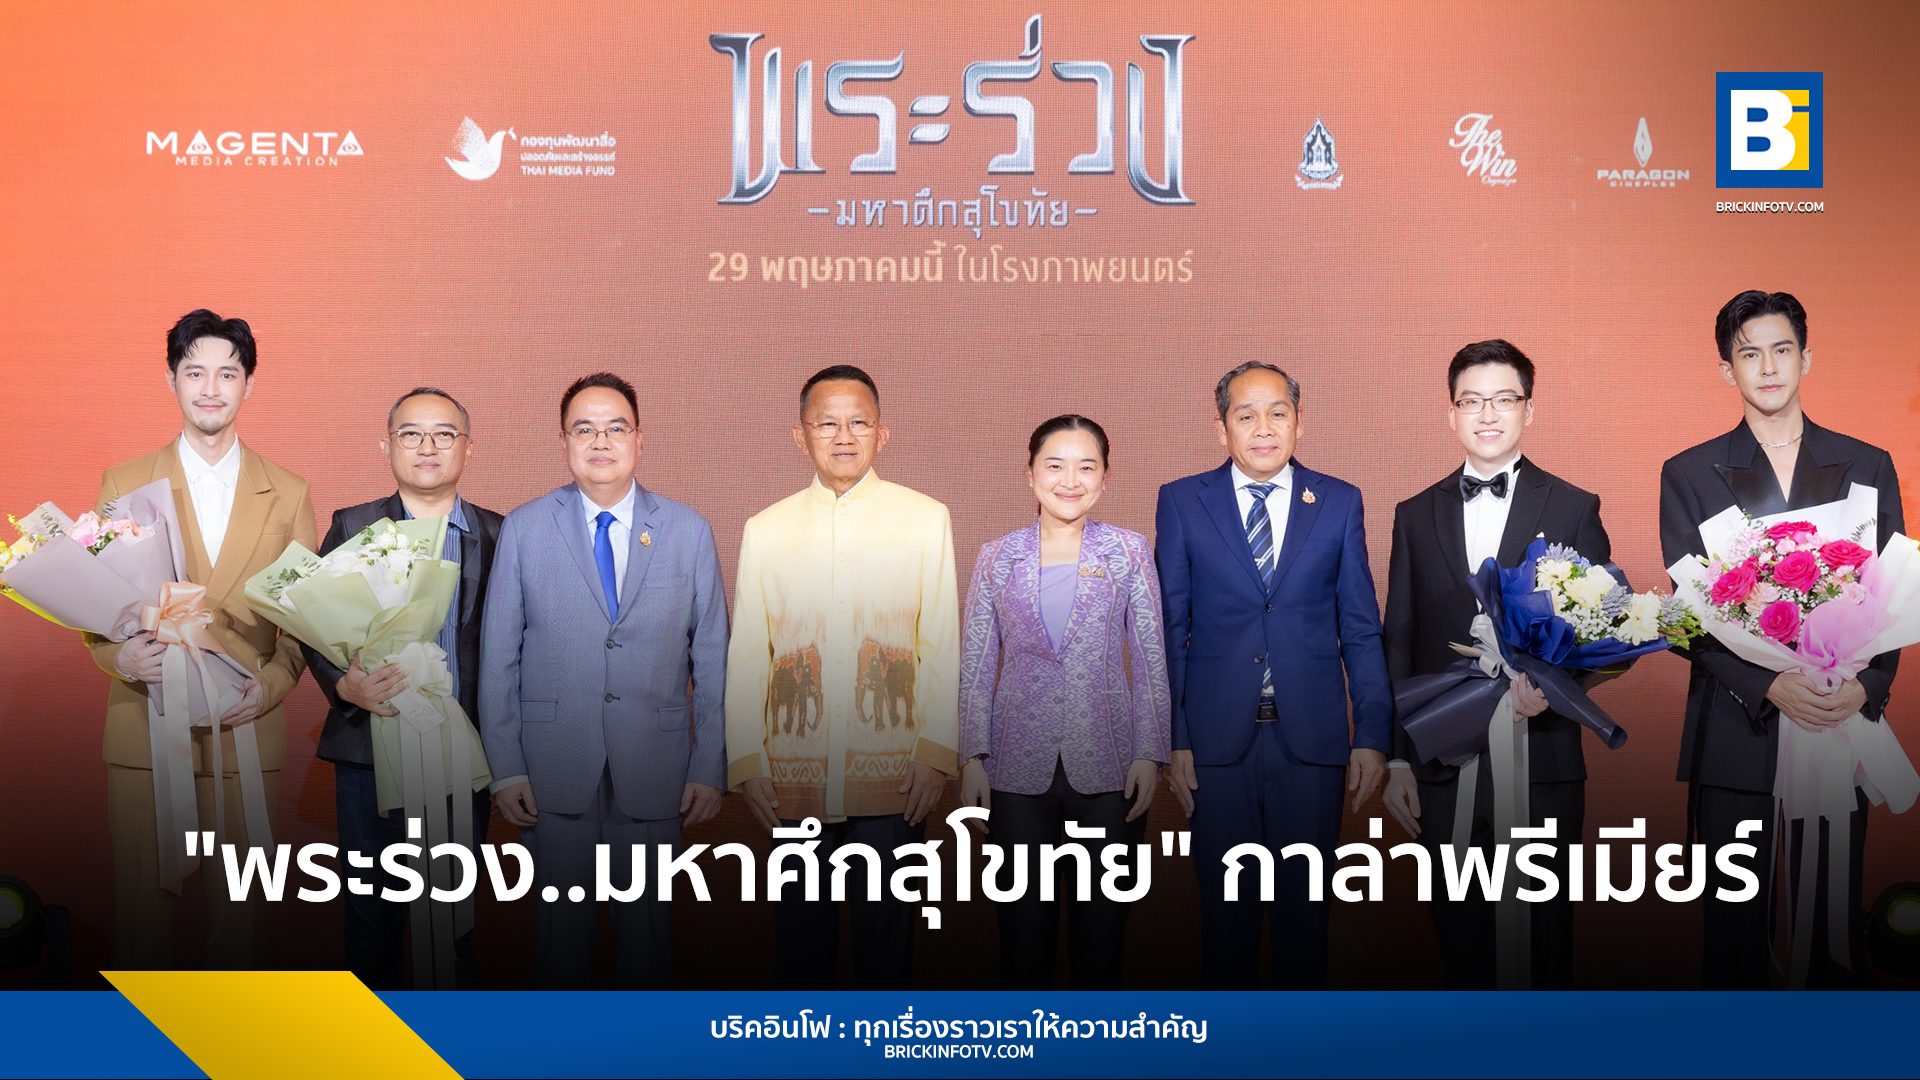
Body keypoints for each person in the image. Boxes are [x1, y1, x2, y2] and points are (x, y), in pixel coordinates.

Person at [1659, 290, 1902, 988]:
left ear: (1806, 358)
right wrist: (1768, 683)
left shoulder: (1866, 463)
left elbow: (1891, 595)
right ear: (1726, 369)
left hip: (1836, 717)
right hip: (1738, 731)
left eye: (1781, 350)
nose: (1767, 368)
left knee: (1830, 925)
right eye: (1749, 354)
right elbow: (1688, 617)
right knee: (1734, 937)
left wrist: (1866, 688)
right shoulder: (1690, 472)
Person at [479, 372, 727, 989]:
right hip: (552, 768)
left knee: (649, 945)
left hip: (657, 767)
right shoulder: (525, 528)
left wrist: (708, 766)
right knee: (559, 946)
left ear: (639, 439)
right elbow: (498, 656)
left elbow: (714, 660)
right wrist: (505, 768)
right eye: (584, 429)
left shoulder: (688, 530)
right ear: (564, 441)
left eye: (616, 427)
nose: (601, 441)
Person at [83, 308, 316, 968]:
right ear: (171, 380)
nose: (211, 388)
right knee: (141, 918)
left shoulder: (289, 492)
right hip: (144, 727)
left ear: (249, 384)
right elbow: (94, 604)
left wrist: (271, 685)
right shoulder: (124, 482)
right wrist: (121, 657)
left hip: (246, 728)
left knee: (243, 923)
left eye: (227, 374)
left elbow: (305, 621)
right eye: (195, 373)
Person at [1379, 339, 1610, 988]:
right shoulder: (1414, 514)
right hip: (1441, 762)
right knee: (1460, 940)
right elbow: (1399, 640)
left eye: (1504, 399)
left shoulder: (1573, 506)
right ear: (1451, 414)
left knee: (1544, 940)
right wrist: (1398, 759)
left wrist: (1551, 686)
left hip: (1542, 759)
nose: (1487, 414)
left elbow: (1601, 627)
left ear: (1528, 410)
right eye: (1471, 401)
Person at [1155, 361, 1391, 989]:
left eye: (1278, 413)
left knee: (1304, 928)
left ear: (1298, 422)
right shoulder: (1182, 501)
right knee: (1225, 927)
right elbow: (1169, 629)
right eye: (1246, 415)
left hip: (1311, 744)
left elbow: (1360, 627)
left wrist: (1372, 735)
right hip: (1214, 747)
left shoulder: (1338, 501)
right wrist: (1174, 736)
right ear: (1222, 428)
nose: (1264, 428)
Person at [725, 364, 959, 990]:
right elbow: (749, 653)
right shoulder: (766, 529)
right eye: (826, 423)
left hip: (897, 776)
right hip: (790, 779)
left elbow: (940, 642)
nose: (844, 436)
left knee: (888, 954)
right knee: (801, 955)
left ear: (883, 433)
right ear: (799, 436)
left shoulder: (925, 518)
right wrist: (747, 760)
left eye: (859, 422)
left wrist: (935, 754)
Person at [957, 414, 1171, 989]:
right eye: (1055, 465)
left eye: (1086, 467)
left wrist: (1150, 753)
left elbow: (1150, 656)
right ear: (1030, 474)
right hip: (1013, 770)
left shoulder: (1128, 551)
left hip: (1110, 766)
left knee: (1100, 941)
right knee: (1022, 941)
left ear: (1105, 478)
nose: (1070, 480)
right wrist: (972, 757)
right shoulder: (997, 556)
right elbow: (977, 662)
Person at [302, 388, 502, 989]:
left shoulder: (499, 533)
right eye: (411, 433)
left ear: (468, 448)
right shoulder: (354, 525)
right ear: (386, 446)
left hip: (463, 754)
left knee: (453, 921)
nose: (427, 446)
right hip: (371, 748)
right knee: (371, 920)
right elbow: (311, 622)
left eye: (444, 434)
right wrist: (345, 687)